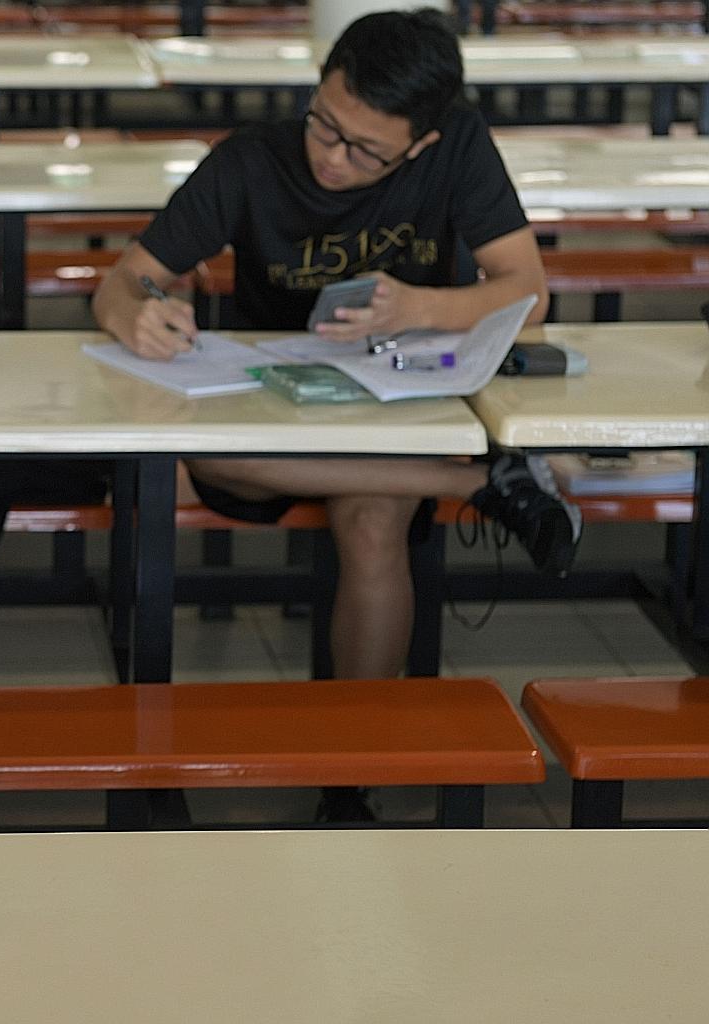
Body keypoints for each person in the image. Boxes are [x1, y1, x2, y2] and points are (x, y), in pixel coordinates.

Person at [93, 9, 582, 820]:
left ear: (420, 145)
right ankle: (480, 479)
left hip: (389, 403)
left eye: (365, 151)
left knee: (375, 518)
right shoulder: (252, 160)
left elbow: (527, 292)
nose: (330, 155)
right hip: (260, 411)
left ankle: (350, 778)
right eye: (325, 123)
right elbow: (122, 281)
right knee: (206, 454)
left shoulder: (457, 145)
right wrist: (135, 314)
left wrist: (419, 307)